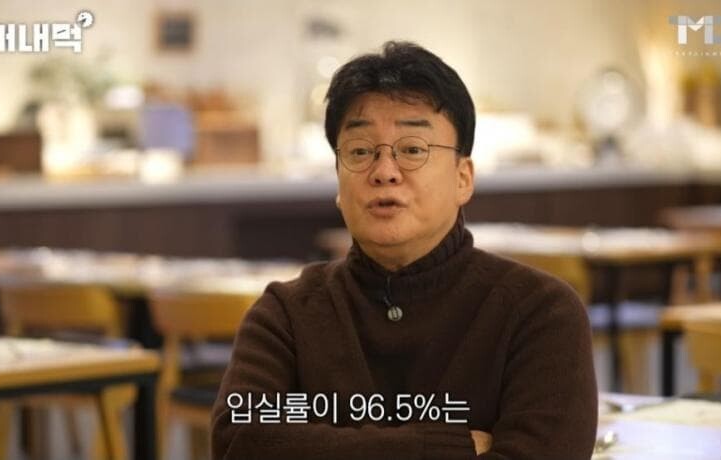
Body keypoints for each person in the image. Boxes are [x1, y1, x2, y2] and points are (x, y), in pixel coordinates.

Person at [211, 41, 598, 459]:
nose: (384, 171)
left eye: (413, 149)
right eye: (360, 151)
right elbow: (239, 443)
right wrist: (440, 447)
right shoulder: (287, 314)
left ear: (463, 178)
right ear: (338, 181)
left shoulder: (540, 312)